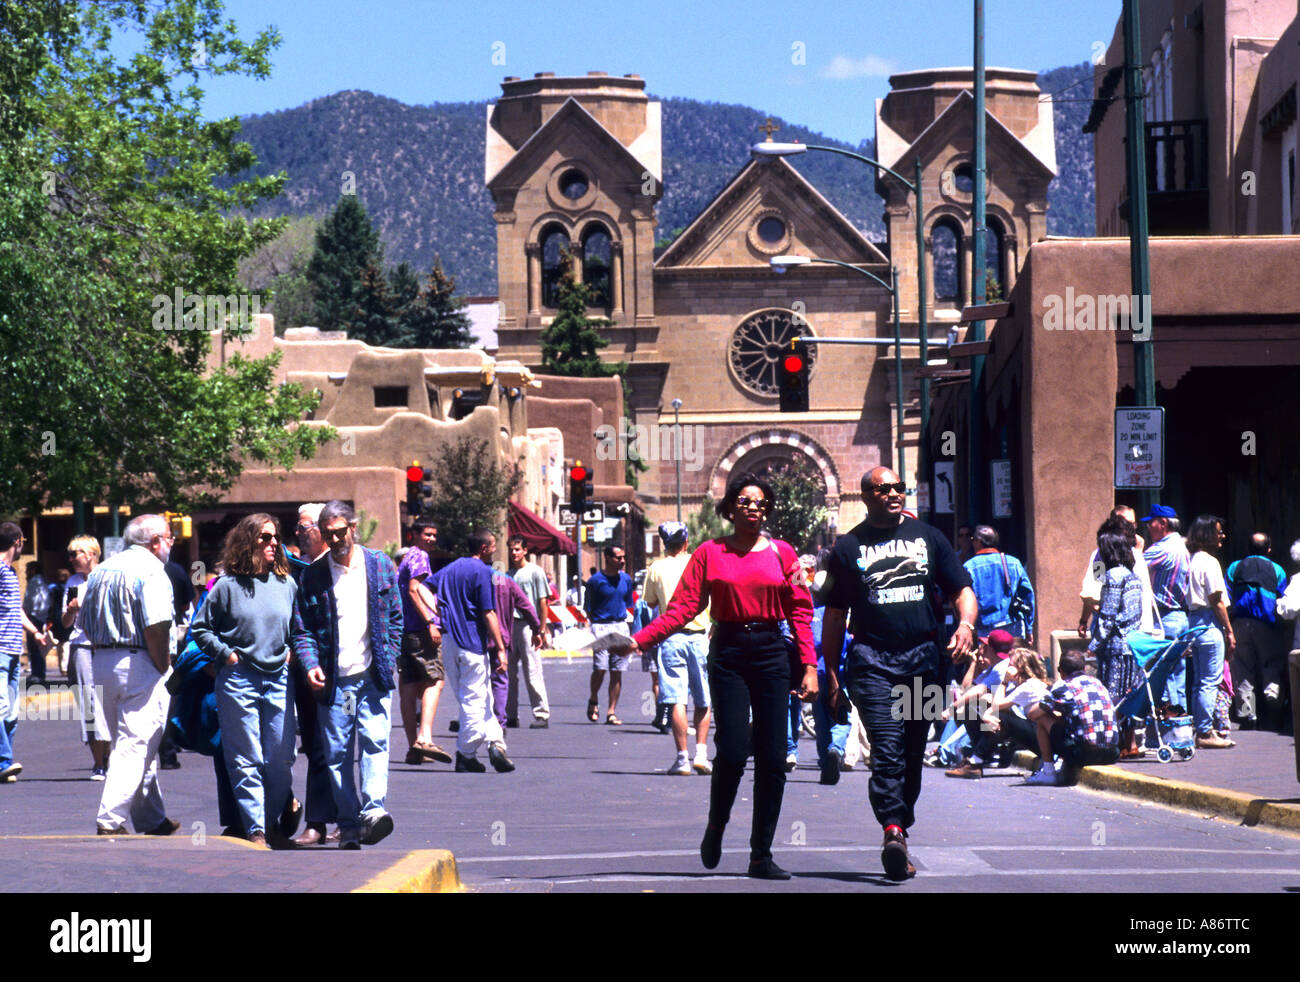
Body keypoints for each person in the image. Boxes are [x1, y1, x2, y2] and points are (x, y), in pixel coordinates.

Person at [624, 474, 817, 881]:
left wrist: (810, 665)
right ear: (730, 508)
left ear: (767, 511)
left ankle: (760, 854)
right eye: (745, 501)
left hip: (771, 652)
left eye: (761, 503)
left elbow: (801, 609)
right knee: (730, 749)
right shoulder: (710, 553)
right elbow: (682, 608)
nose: (753, 508)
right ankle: (717, 824)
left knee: (772, 757)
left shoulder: (785, 554)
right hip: (728, 651)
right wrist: (641, 640)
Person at [821, 466, 977, 881]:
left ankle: (899, 829)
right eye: (883, 488)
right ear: (866, 496)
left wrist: (965, 624)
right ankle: (892, 828)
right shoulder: (848, 548)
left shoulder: (930, 538)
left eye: (898, 487)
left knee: (911, 751)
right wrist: (831, 674)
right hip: (872, 662)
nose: (893, 493)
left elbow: (962, 589)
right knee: (887, 748)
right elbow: (835, 616)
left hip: (924, 660)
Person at [292, 500, 403, 848]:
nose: (336, 538)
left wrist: (391, 654)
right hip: (336, 681)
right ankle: (348, 824)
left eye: (341, 531)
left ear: (353, 528)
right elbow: (303, 630)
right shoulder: (313, 575)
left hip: (372, 675)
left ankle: (373, 811)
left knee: (375, 742)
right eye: (329, 534)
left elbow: (396, 617)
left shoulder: (380, 565)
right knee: (338, 753)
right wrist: (310, 665)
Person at [190, 514, 298, 849]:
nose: (273, 544)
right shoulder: (226, 586)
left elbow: (299, 628)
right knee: (246, 756)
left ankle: (271, 818)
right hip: (238, 680)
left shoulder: (287, 584)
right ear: (248, 541)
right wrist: (226, 654)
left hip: (279, 677)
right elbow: (200, 629)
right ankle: (258, 829)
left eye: (275, 537)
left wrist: (293, 650)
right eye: (265, 538)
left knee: (280, 758)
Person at [76, 514, 179, 835]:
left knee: (134, 741)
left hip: (102, 659)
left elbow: (85, 622)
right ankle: (109, 819)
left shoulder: (102, 570)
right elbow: (156, 625)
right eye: (169, 537)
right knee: (136, 742)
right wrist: (164, 665)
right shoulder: (152, 571)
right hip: (139, 660)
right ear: (154, 541)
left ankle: (152, 818)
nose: (172, 543)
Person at [430, 529, 513, 773]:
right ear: (485, 548)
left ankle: (496, 744)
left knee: (480, 695)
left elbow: (422, 588)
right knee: (474, 700)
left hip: (449, 641)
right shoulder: (483, 572)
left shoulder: (451, 568)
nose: (496, 549)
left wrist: (431, 615)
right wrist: (500, 648)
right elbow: (488, 612)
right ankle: (466, 753)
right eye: (494, 546)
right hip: (471, 642)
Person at [641, 522, 712, 777]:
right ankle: (702, 754)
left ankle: (682, 758)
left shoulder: (657, 568)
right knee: (703, 698)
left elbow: (649, 602)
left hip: (670, 637)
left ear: (664, 543)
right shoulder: (699, 563)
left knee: (677, 700)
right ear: (686, 541)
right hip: (699, 637)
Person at [286, 502, 337, 846]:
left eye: (305, 527)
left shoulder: (343, 566)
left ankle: (345, 816)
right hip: (308, 669)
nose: (299, 533)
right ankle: (317, 822)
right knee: (317, 743)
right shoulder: (297, 570)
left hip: (346, 669)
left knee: (343, 744)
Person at [396, 518, 453, 765]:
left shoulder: (407, 557)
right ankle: (424, 737)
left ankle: (413, 748)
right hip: (419, 629)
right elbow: (414, 589)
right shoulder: (419, 557)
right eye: (426, 534)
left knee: (409, 686)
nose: (431, 539)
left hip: (404, 630)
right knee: (435, 680)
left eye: (433, 535)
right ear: (415, 535)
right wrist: (431, 621)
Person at [1089, 523, 1146, 758]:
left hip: (1115, 647)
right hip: (1132, 645)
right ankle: (1129, 743)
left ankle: (1109, 744)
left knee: (1112, 696)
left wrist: (1093, 645)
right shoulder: (1133, 576)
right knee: (1128, 695)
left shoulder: (1112, 577)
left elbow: (1107, 615)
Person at [1024, 648, 1120, 786]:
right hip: (1113, 752)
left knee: (1042, 719)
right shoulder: (1099, 684)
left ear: (1060, 670)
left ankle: (1048, 772)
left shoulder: (1063, 688)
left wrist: (1001, 684)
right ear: (1085, 668)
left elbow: (1032, 714)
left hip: (1084, 753)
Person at [1225, 533, 1289, 730]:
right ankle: (1273, 707)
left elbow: (1227, 595)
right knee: (1270, 664)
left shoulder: (1234, 567)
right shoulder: (1277, 569)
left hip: (1240, 622)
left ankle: (1247, 715)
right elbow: (1282, 597)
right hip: (1267, 623)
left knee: (1243, 668)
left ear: (1249, 548)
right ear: (1268, 549)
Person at [1185, 515, 1236, 750]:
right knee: (1209, 681)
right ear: (1207, 535)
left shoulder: (1193, 560)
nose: (1221, 535)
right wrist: (1229, 629)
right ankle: (1205, 731)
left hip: (1194, 621)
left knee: (1199, 681)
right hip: (1208, 621)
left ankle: (1202, 726)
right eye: (1218, 531)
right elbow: (1216, 600)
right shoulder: (1210, 562)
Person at [62, 535, 109, 779]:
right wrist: (70, 611)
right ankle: (98, 762)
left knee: (109, 701)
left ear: (90, 554)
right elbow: (65, 622)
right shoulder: (72, 582)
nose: (71, 559)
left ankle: (110, 757)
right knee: (89, 704)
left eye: (75, 554)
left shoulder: (107, 576)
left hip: (105, 646)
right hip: (81, 646)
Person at [0, 523, 40, 782]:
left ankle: (4, 763)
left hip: (15, 649)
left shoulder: (11, 572)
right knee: (1, 706)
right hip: (0, 648)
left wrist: (35, 633)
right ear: (18, 542)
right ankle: (4, 761)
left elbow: (16, 611)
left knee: (12, 713)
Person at [1079, 505, 1155, 640]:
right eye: (1126, 523)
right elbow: (1095, 588)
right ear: (1113, 523)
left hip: (1139, 629)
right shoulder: (1101, 555)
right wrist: (1084, 620)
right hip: (1112, 631)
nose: (1131, 528)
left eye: (1133, 524)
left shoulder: (1136, 554)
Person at [1142, 504, 1191, 709]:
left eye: (1150, 523)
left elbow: (1133, 568)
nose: (1147, 528)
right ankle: (1181, 728)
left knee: (1164, 675)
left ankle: (1168, 727)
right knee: (1177, 674)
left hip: (1164, 618)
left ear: (1163, 523)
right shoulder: (1183, 546)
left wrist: (1135, 548)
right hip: (1179, 617)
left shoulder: (1161, 548)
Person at [583, 545, 636, 725]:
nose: (622, 561)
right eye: (618, 558)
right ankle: (593, 699)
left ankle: (611, 712)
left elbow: (628, 603)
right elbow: (588, 609)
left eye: (623, 557)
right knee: (600, 668)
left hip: (620, 626)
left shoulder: (626, 580)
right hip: (601, 627)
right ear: (607, 557)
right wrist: (596, 627)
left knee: (617, 671)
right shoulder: (595, 581)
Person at [487, 567, 542, 731]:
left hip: (479, 637)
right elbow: (526, 605)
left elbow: (541, 600)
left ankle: (540, 713)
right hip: (503, 634)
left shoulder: (473, 577)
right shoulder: (504, 579)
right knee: (501, 679)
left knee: (477, 681)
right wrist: (537, 628)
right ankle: (502, 719)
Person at [506, 536, 552, 728]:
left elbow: (543, 602)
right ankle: (510, 714)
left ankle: (541, 713)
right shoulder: (508, 574)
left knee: (532, 670)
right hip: (511, 625)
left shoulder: (535, 572)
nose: (514, 553)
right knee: (508, 672)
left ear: (525, 550)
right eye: (511, 549)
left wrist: (540, 629)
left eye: (517, 549)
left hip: (528, 625)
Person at [962, 526, 1035, 644]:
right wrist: (1029, 628)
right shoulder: (1013, 562)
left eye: (972, 539)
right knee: (1016, 661)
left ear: (978, 541)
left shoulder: (969, 567)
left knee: (990, 661)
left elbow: (964, 599)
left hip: (985, 628)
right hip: (1012, 624)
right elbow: (1028, 596)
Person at [22, 561, 54, 684]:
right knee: (36, 647)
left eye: (28, 569)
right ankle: (37, 672)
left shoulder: (36, 581)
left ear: (34, 570)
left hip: (34, 617)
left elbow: (34, 601)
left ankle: (38, 673)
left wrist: (30, 614)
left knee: (35, 647)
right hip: (37, 617)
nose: (26, 572)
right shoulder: (41, 581)